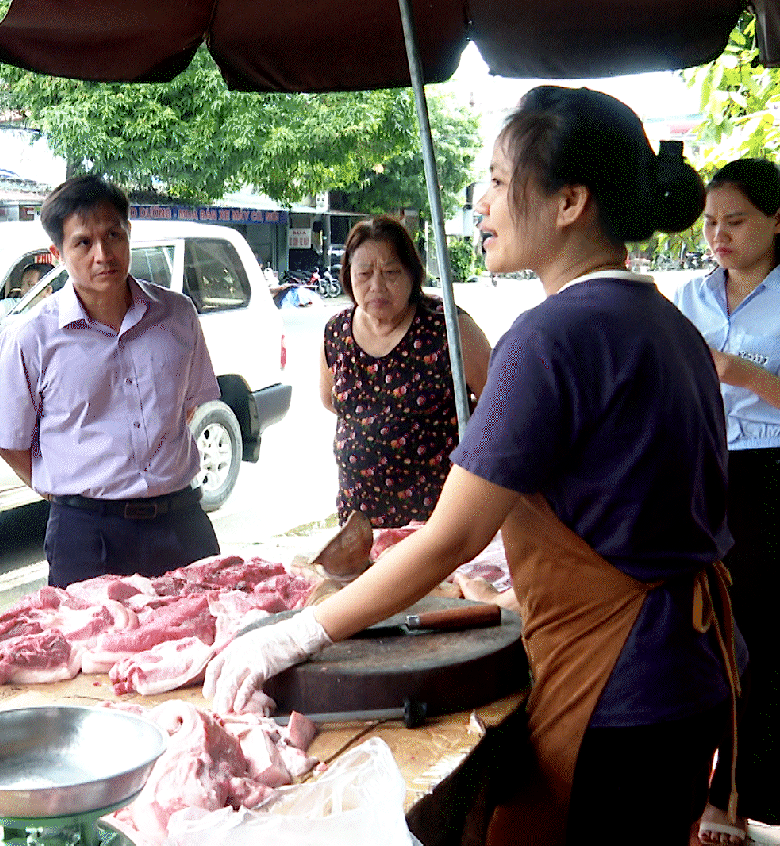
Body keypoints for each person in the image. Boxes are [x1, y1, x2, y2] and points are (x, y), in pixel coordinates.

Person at [205, 86, 739, 845]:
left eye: (495, 178)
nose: (479, 200)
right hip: (693, 679)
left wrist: (293, 635)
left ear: (569, 202)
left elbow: (450, 536)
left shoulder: (547, 339)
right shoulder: (670, 324)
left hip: (617, 690)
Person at [0, 174, 221, 588]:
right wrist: (76, 490)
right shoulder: (31, 337)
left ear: (128, 234)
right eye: (83, 243)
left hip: (182, 524)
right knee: (93, 650)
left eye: (113, 235)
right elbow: (10, 441)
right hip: (87, 537)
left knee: (205, 642)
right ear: (56, 253)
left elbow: (188, 407)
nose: (102, 254)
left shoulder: (177, 315)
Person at [674, 158, 780, 846]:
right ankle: (695, 790)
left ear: (776, 220)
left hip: (772, 476)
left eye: (736, 220)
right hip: (703, 472)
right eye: (712, 221)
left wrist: (740, 372)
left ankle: (736, 796)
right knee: (698, 635)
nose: (720, 234)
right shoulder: (688, 295)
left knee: (763, 641)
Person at [320, 215, 490, 529]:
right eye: (364, 274)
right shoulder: (337, 331)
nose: (376, 286)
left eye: (390, 272)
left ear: (412, 273)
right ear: (348, 277)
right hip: (358, 526)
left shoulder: (448, 327)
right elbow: (331, 401)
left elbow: (498, 411)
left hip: (437, 527)